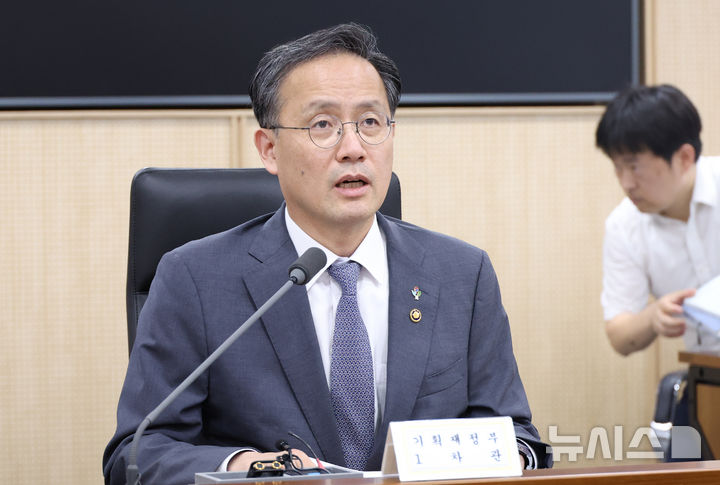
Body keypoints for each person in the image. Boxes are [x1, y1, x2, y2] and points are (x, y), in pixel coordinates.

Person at [104, 23, 550, 485]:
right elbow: (136, 455)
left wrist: (512, 458)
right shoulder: (195, 279)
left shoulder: (461, 274)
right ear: (269, 149)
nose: (353, 149)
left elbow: (517, 436)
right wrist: (246, 468)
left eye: (371, 123)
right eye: (323, 125)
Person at [596, 83, 720, 356]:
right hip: (708, 372)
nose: (626, 183)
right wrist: (653, 316)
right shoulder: (624, 225)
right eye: (618, 167)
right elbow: (619, 335)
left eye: (634, 167)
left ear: (684, 158)